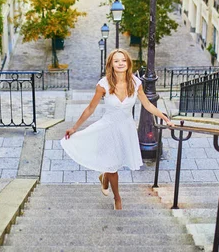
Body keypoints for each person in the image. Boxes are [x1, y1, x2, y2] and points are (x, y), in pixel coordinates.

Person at [60, 48, 174, 210]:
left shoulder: (136, 83)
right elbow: (90, 109)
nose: (120, 63)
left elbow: (147, 104)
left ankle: (104, 177)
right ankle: (118, 199)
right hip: (107, 129)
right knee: (113, 166)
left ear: (128, 63)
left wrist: (165, 118)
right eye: (116, 61)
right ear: (111, 65)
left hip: (125, 130)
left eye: (123, 60)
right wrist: (74, 128)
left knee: (115, 164)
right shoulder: (103, 84)